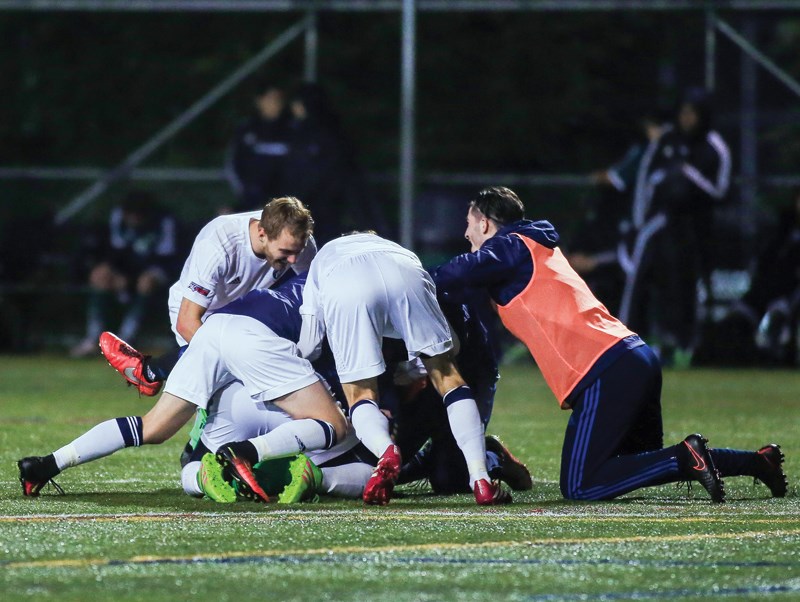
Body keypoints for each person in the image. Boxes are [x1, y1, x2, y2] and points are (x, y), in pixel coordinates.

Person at [431, 186, 787, 504]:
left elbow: (457, 273)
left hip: (603, 368)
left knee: (580, 486)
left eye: (469, 222)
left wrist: (413, 277)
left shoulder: (511, 244)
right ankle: (757, 461)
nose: (465, 232)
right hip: (632, 356)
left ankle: (686, 456)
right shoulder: (530, 246)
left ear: (485, 224)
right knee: (638, 463)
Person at [18, 274, 348, 501]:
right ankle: (254, 459)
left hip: (216, 330)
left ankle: (47, 463)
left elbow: (195, 325)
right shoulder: (335, 291)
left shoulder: (291, 268)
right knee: (336, 428)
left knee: (154, 428)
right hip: (254, 354)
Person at [293, 231, 511, 507]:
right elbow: (451, 343)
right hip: (406, 275)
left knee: (361, 395)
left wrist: (292, 362)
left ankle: (387, 452)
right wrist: (419, 365)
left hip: (346, 285)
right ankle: (480, 479)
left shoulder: (325, 257)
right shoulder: (398, 251)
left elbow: (311, 344)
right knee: (448, 377)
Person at [99, 196, 316, 396]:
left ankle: (150, 372)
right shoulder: (219, 244)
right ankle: (150, 372)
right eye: (286, 253)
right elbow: (187, 322)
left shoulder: (296, 242)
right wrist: (243, 359)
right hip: (197, 313)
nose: (294, 260)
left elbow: (312, 297)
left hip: (241, 311)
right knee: (221, 394)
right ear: (262, 233)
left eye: (298, 251)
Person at [617, 88, 732, 366]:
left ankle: (687, 345)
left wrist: (686, 174)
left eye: (692, 113)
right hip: (660, 222)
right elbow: (647, 180)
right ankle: (624, 340)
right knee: (641, 277)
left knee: (688, 285)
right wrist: (639, 220)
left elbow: (720, 190)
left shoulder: (714, 147)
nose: (686, 119)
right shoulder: (667, 139)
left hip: (696, 229)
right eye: (683, 112)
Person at [184, 379, 376, 504]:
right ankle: (318, 478)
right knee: (372, 466)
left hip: (235, 396)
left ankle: (200, 479)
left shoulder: (218, 319)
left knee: (196, 460)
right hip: (304, 393)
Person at [70, 190, 178, 357]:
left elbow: (165, 258)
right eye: (130, 214)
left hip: (156, 269)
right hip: (126, 268)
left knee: (146, 282)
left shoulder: (164, 221)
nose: (133, 219)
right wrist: (113, 271)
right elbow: (116, 251)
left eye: (138, 214)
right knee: (100, 277)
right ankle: (93, 339)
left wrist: (131, 279)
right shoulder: (118, 217)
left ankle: (125, 341)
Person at [225, 78, 290, 212]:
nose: (274, 103)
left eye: (278, 99)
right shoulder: (246, 130)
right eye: (269, 98)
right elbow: (234, 165)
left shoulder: (292, 130)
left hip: (286, 205)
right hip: (252, 203)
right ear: (259, 101)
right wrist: (249, 194)